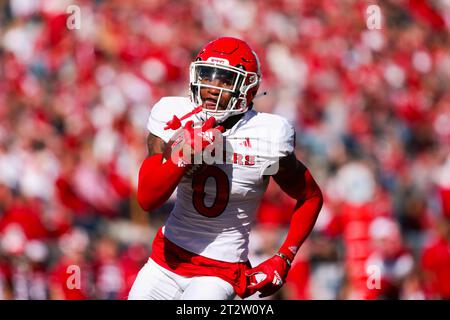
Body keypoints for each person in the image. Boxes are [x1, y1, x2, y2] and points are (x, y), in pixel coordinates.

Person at [128, 37, 323, 300]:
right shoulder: (173, 114)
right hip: (166, 259)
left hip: (220, 270)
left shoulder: (267, 137)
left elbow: (310, 196)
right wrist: (183, 156)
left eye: (225, 80)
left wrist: (285, 257)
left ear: (248, 89)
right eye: (207, 75)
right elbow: (147, 198)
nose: (211, 88)